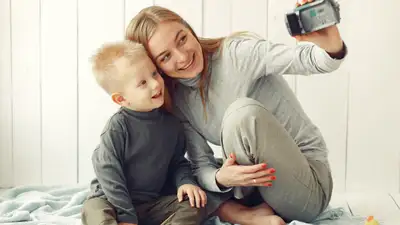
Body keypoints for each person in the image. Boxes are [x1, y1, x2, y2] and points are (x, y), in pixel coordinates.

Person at [81, 40, 208, 225]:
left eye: (154, 73)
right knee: (95, 212)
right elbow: (107, 170)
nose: (155, 84)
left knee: (196, 204)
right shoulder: (118, 126)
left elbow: (178, 163)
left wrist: (185, 182)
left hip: (148, 205)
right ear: (122, 99)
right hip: (110, 201)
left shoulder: (172, 125)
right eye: (142, 83)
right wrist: (125, 216)